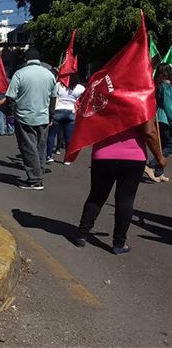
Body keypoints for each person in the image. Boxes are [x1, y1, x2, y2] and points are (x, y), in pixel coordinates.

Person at [72, 118, 166, 254]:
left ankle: (82, 234)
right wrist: (160, 157)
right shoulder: (142, 99)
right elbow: (149, 131)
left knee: (97, 196)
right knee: (125, 200)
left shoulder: (103, 97)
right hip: (133, 156)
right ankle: (119, 243)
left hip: (103, 154)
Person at [5, 48, 57, 190]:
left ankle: (35, 179)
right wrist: (51, 115)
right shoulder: (49, 75)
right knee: (40, 147)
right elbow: (53, 97)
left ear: (25, 60)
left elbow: (10, 97)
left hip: (24, 116)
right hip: (43, 116)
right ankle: (38, 173)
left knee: (28, 148)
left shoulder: (20, 74)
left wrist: (11, 112)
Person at [46, 74, 86, 164]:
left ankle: (49, 156)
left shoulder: (59, 85)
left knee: (52, 135)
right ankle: (67, 159)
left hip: (58, 111)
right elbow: (86, 96)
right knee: (69, 137)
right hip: (71, 112)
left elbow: (52, 96)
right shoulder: (79, 87)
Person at [144, 64, 172, 182]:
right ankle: (151, 165)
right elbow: (167, 104)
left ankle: (158, 171)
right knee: (170, 145)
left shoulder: (157, 83)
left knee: (163, 144)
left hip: (159, 117)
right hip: (164, 118)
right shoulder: (165, 85)